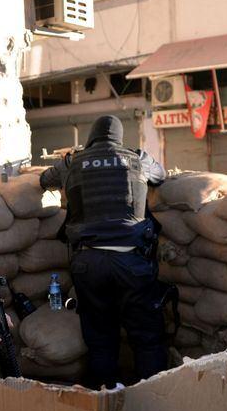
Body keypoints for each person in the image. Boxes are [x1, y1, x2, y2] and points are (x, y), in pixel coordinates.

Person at [40, 115, 168, 389]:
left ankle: (107, 396)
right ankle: (154, 396)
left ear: (91, 137)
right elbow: (161, 175)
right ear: (119, 138)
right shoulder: (137, 158)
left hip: (88, 261)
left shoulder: (73, 162)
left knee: (100, 336)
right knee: (146, 335)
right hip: (131, 260)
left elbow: (45, 179)